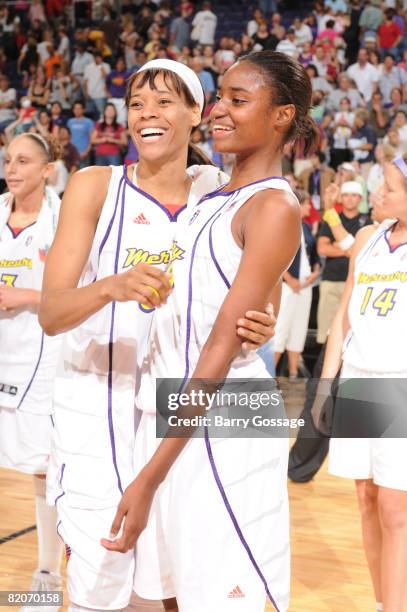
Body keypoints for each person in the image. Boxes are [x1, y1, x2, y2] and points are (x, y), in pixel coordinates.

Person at [39, 59, 276, 612]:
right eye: (138, 104)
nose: (147, 113)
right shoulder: (95, 186)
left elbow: (265, 295)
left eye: (165, 101)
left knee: (173, 581)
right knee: (101, 574)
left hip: (177, 410)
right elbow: (51, 313)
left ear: (197, 113)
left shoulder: (223, 193)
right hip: (95, 407)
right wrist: (111, 287)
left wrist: (260, 321)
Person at [101, 51, 318, 612]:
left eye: (238, 101)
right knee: (162, 599)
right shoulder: (211, 196)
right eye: (219, 96)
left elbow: (222, 347)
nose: (218, 110)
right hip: (177, 414)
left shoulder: (272, 206)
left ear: (281, 116)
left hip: (225, 422)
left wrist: (148, 477)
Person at [313, 155, 407, 612]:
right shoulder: (368, 240)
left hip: (400, 384)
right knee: (366, 500)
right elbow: (344, 313)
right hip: (358, 380)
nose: (378, 194)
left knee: (396, 509)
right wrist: (326, 383)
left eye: (389, 187)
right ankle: (382, 601)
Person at [0, 133, 63, 611]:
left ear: (48, 169)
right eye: (7, 159)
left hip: (44, 358)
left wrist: (26, 296)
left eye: (23, 161)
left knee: (43, 468)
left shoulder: (63, 220)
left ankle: (47, 575)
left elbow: (83, 290)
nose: (12, 168)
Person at [317, 180, 373, 345]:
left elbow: (362, 251)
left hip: (358, 283)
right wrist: (353, 249)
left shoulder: (368, 221)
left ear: (360, 198)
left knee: (352, 332)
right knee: (325, 333)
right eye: (346, 195)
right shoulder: (331, 217)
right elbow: (322, 248)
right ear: (341, 197)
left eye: (354, 195)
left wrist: (339, 246)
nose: (349, 199)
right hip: (332, 280)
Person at [274, 190, 321, 379]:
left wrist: (315, 273)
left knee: (299, 328)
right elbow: (275, 255)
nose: (310, 207)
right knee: (281, 328)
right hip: (287, 285)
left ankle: (293, 374)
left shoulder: (307, 228)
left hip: (305, 286)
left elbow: (316, 256)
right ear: (298, 204)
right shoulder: (283, 225)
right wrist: (288, 278)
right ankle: (269, 375)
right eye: (307, 204)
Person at [90, 102, 127, 166]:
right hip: (100, 155)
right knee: (100, 175)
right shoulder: (98, 125)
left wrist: (113, 140)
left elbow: (125, 142)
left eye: (112, 110)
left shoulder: (119, 126)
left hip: (114, 155)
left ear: (115, 112)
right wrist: (102, 140)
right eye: (108, 109)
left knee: (115, 174)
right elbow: (92, 140)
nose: (110, 111)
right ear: (104, 112)